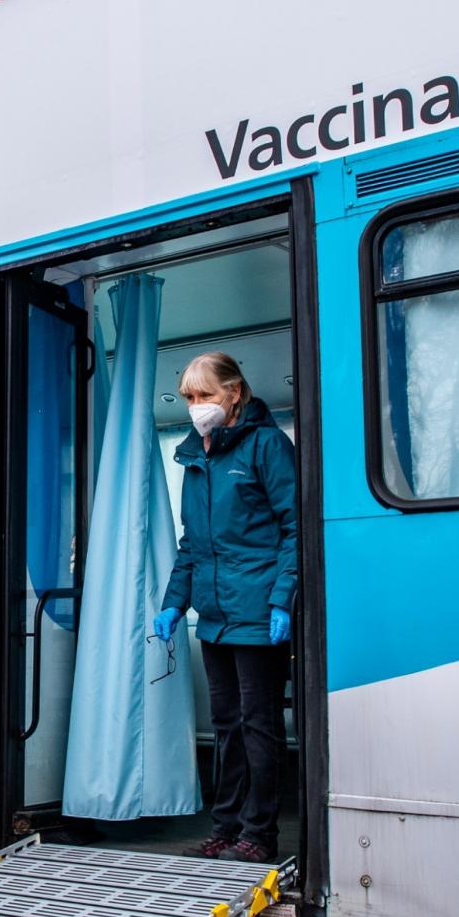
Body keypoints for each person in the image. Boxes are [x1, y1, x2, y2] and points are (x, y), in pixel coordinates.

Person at [154, 351, 298, 865]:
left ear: (234, 392)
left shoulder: (267, 446)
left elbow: (294, 528)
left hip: (259, 613)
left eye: (206, 396)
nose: (197, 407)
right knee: (227, 724)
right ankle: (226, 828)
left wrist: (283, 598)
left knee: (259, 724)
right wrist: (175, 604)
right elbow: (193, 543)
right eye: (190, 398)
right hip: (214, 617)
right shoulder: (198, 459)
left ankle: (259, 835)